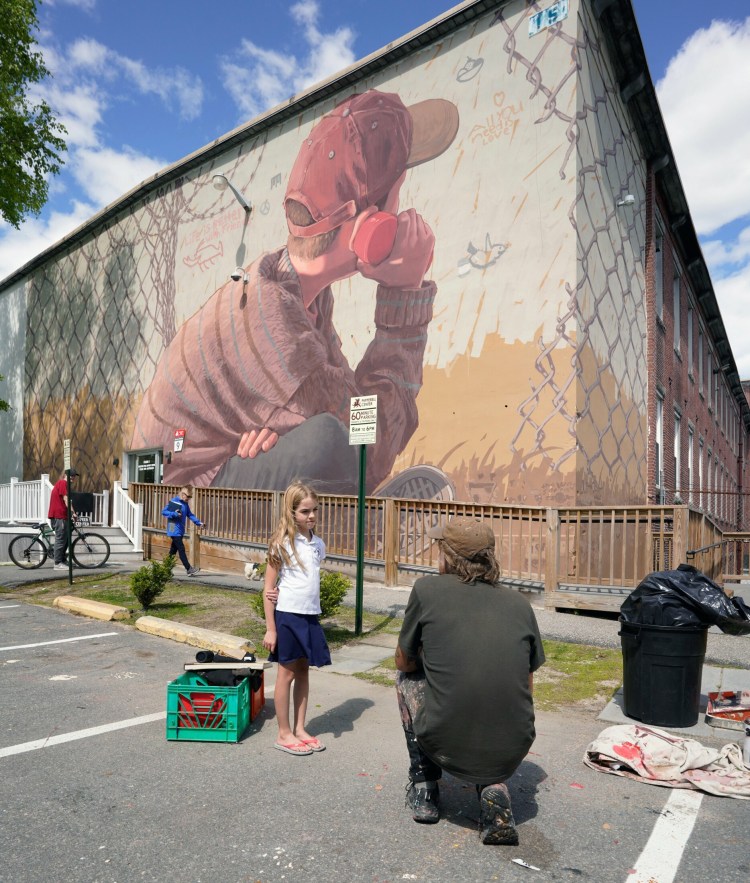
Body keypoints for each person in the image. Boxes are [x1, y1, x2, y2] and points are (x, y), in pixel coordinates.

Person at [132, 89, 459, 495]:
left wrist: (280, 427)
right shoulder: (275, 325)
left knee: (319, 434)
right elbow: (369, 446)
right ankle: (367, 529)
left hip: (218, 470)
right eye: (397, 194)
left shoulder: (296, 291)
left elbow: (350, 398)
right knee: (328, 440)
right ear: (370, 227)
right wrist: (404, 294)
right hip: (179, 498)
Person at [395, 517, 545, 845]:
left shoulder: (426, 589)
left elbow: (403, 661)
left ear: (448, 557)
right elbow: (527, 681)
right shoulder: (520, 603)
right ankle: (493, 786)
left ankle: (425, 788)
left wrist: (432, 657)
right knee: (491, 691)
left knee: (406, 681)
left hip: (445, 733)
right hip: (513, 741)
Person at [262, 481, 331, 756]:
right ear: (292, 512)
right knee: (286, 673)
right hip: (288, 616)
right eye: (305, 511)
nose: (311, 516)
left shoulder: (318, 544)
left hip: (310, 615)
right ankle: (284, 732)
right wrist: (271, 629)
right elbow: (269, 589)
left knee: (303, 671)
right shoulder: (281, 544)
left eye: (315, 510)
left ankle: (300, 728)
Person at [161, 486, 204, 576]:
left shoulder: (185, 504)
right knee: (181, 548)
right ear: (183, 494)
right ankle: (188, 568)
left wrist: (199, 523)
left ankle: (165, 569)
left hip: (180, 529)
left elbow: (190, 515)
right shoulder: (174, 501)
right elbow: (164, 512)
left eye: (190, 497)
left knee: (173, 550)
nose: (189, 499)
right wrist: (174, 514)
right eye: (188, 497)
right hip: (173, 529)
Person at [47, 469, 79, 569]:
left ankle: (63, 559)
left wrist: (72, 513)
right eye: (71, 475)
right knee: (60, 539)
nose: (73, 477)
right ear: (66, 475)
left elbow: (68, 500)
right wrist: (73, 513)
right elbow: (66, 499)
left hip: (63, 516)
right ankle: (57, 563)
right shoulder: (62, 483)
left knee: (66, 538)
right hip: (59, 516)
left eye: (74, 476)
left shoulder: (66, 485)